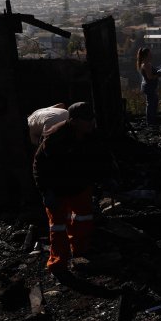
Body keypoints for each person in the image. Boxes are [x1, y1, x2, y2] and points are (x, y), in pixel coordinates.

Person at [32, 102, 114, 274]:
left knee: (83, 219)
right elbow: (40, 166)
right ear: (75, 121)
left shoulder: (91, 135)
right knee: (58, 227)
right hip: (58, 187)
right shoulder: (55, 138)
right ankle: (58, 263)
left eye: (92, 119)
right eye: (87, 119)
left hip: (79, 185)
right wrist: (46, 191)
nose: (91, 122)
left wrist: (108, 177)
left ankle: (80, 250)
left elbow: (103, 156)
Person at [137, 47, 161, 125]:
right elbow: (150, 77)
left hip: (147, 86)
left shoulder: (144, 64)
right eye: (149, 54)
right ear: (146, 55)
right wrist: (159, 75)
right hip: (149, 87)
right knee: (151, 104)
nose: (151, 55)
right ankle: (151, 121)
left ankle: (151, 120)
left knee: (152, 102)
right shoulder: (147, 64)